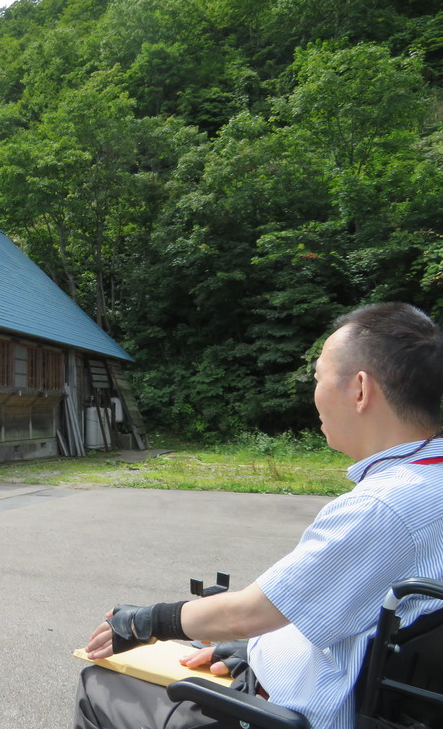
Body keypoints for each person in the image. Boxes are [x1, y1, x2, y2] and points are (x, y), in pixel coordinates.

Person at [74, 302, 443, 729]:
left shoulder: (382, 508)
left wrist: (145, 621)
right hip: (360, 691)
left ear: (359, 389)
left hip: (292, 715)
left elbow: (247, 614)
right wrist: (257, 650)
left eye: (319, 377)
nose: (315, 394)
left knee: (99, 685)